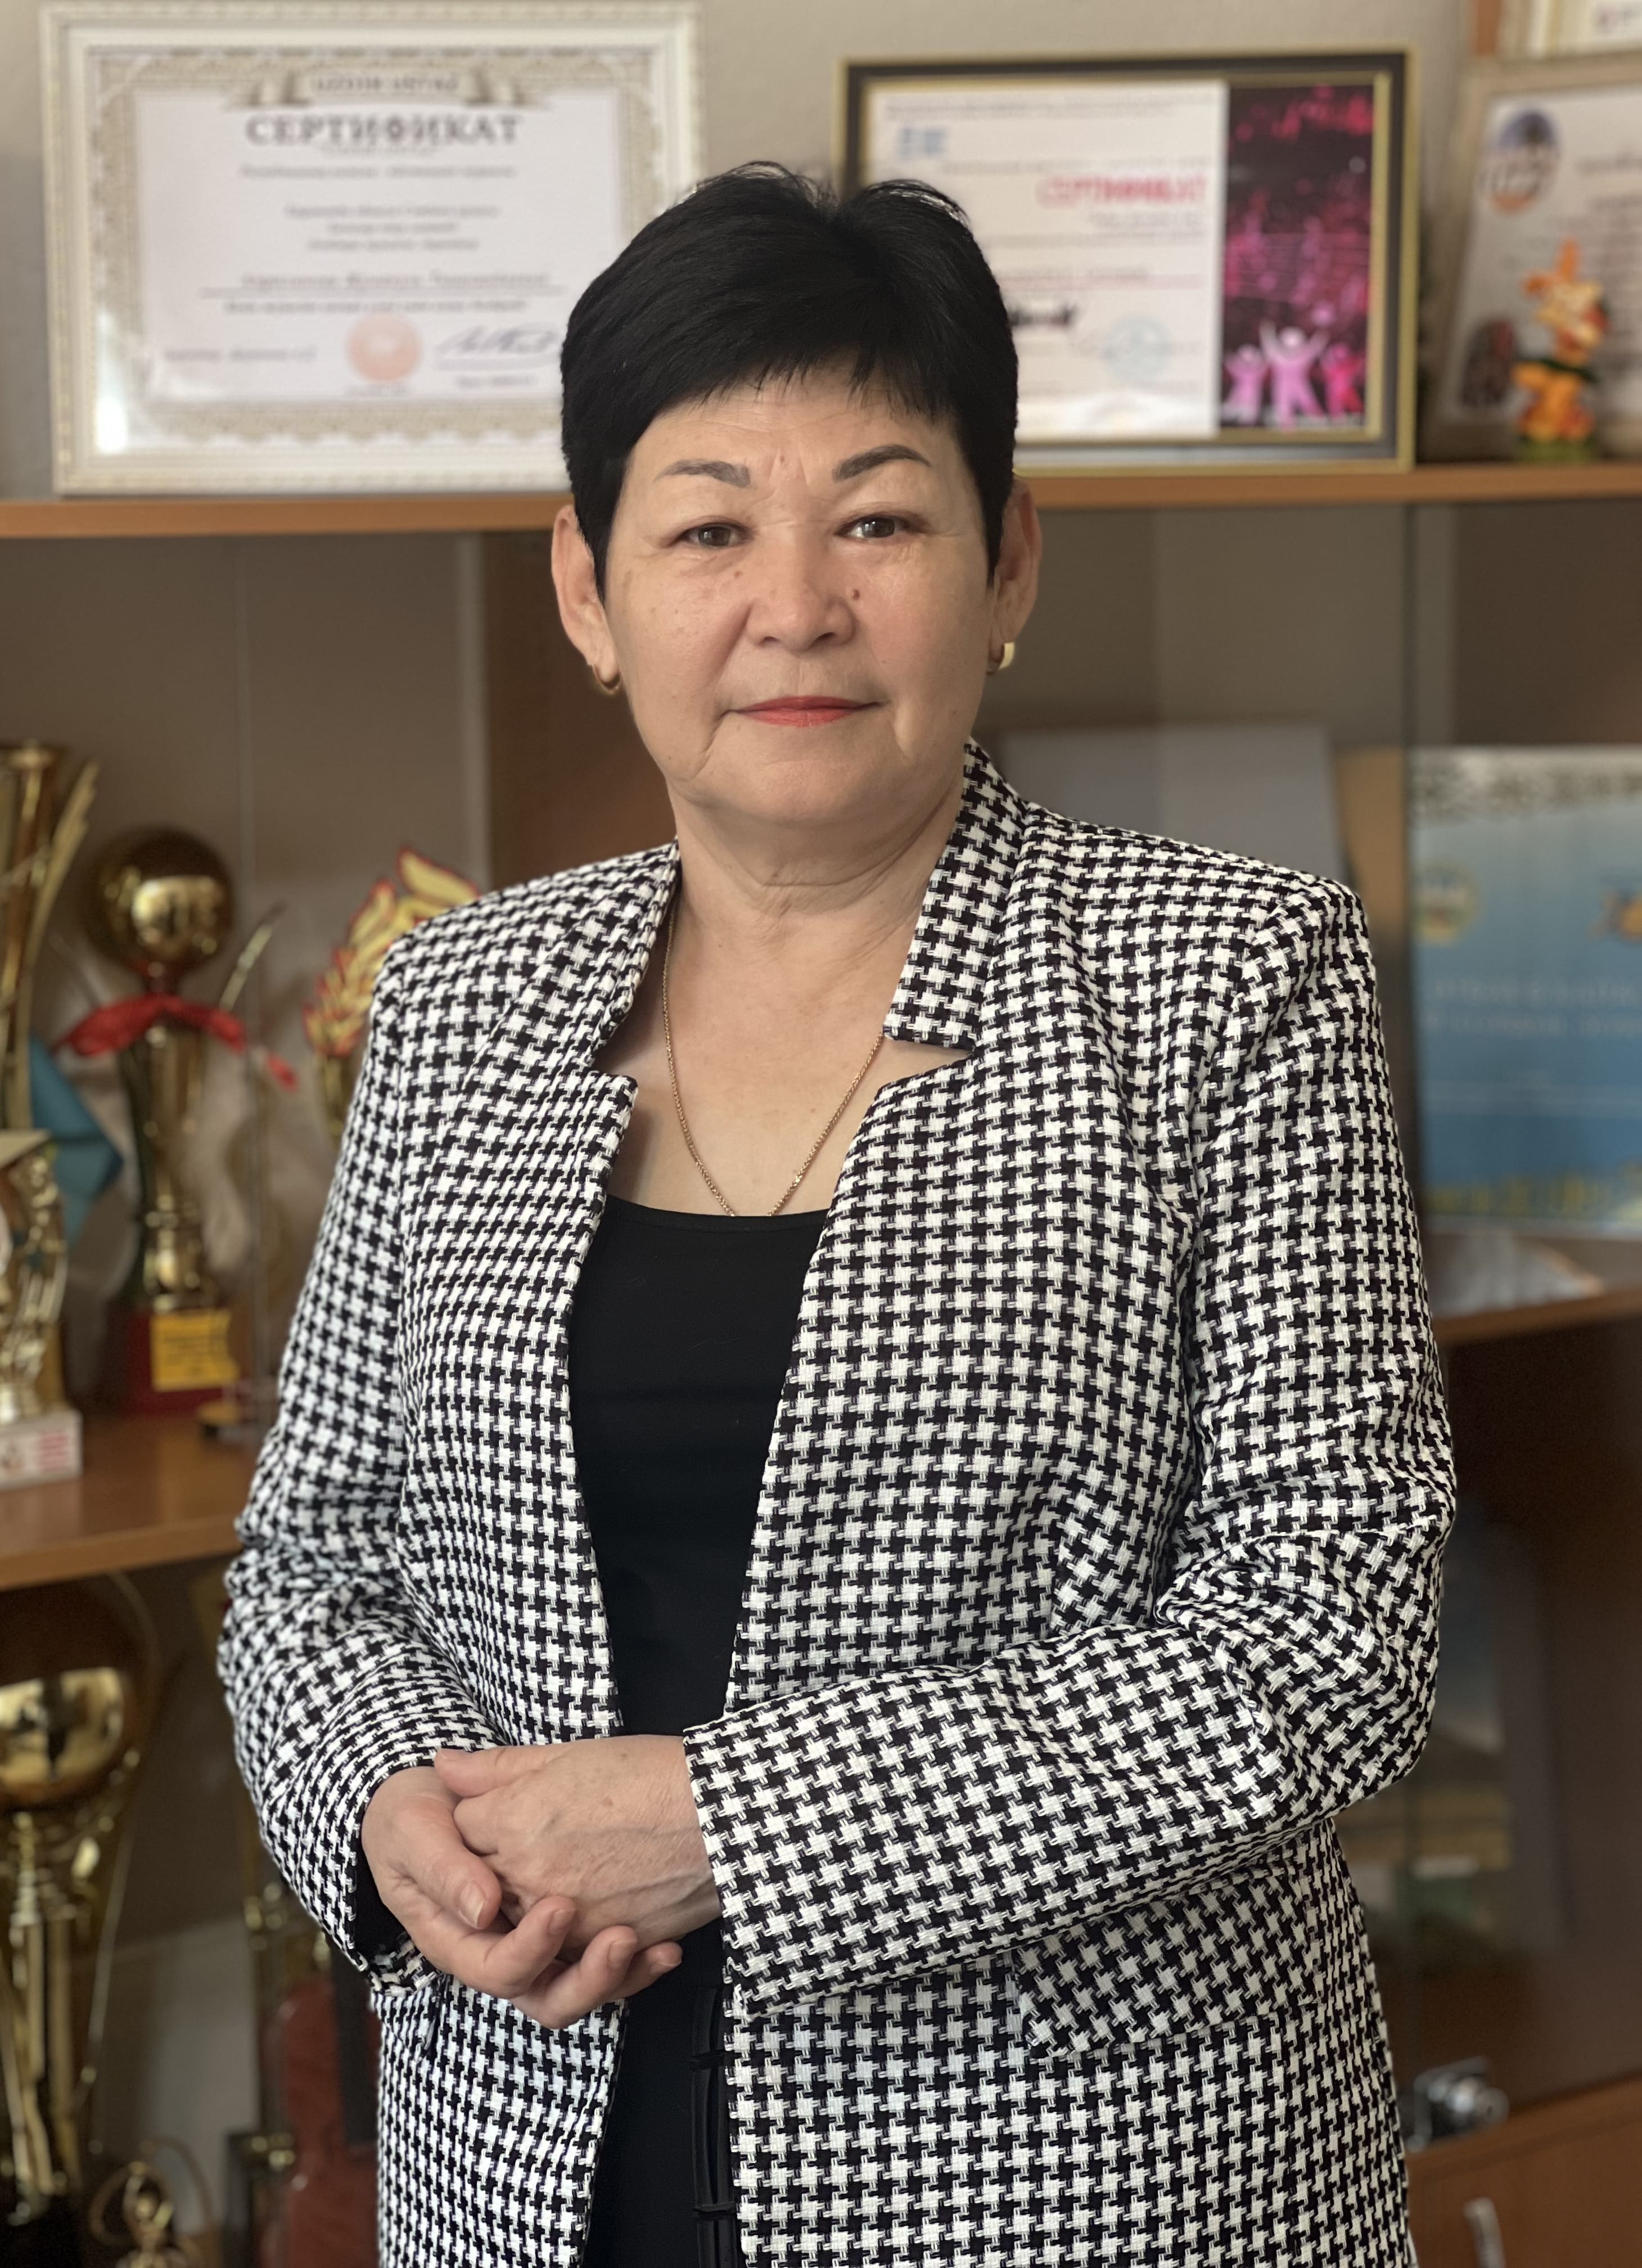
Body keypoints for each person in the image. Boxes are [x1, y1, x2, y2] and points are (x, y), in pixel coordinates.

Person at [219, 165, 1455, 2268]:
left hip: (1088, 2176)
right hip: (525, 2148)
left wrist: (730, 1826)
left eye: (877, 521)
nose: (794, 606)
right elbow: (313, 1558)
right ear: (589, 591)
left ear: (1007, 561)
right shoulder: (463, 997)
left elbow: (1328, 1633)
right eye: (708, 529)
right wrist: (391, 1808)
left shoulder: (1229, 976)